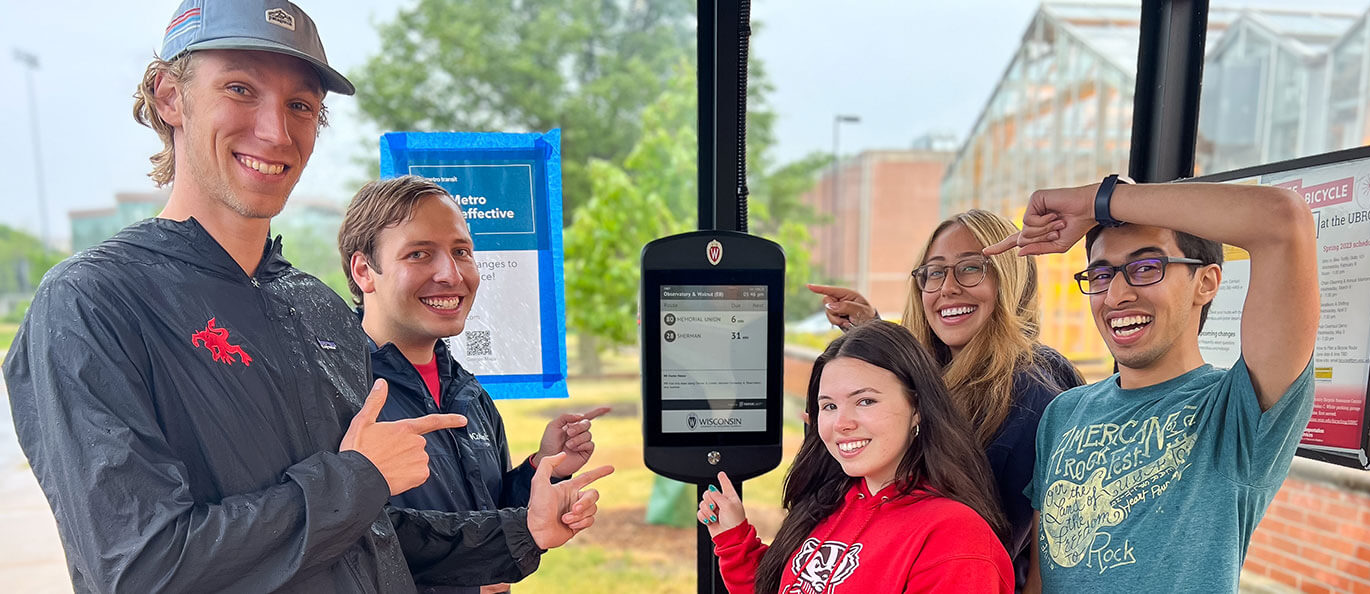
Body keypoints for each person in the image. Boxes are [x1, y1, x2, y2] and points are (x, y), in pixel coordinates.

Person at [3, 2, 609, 592]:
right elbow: (140, 568)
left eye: (300, 105)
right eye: (240, 89)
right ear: (169, 95)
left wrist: (517, 532)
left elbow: (370, 532)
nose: (275, 131)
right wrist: (355, 479)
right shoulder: (92, 302)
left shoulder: (315, 308)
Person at [985, 176, 1318, 592]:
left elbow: (1283, 220)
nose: (1117, 295)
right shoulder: (1064, 412)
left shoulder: (1237, 409)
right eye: (1102, 275)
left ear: (1207, 282)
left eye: (1146, 268)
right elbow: (1042, 575)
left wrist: (1098, 200)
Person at [339, 175, 613, 593]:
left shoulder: (469, 393)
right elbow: (350, 546)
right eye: (419, 254)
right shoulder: (339, 392)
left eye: (461, 251)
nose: (451, 274)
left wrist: (540, 470)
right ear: (364, 271)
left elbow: (488, 510)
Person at [808, 209, 1083, 589]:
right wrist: (872, 337)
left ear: (1010, 280)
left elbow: (984, 540)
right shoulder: (944, 370)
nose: (947, 288)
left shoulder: (1027, 396)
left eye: (971, 268)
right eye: (934, 273)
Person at [697, 320, 1014, 594]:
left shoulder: (957, 541)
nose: (841, 423)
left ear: (917, 408)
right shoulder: (833, 501)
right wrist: (734, 539)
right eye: (829, 406)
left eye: (865, 401)